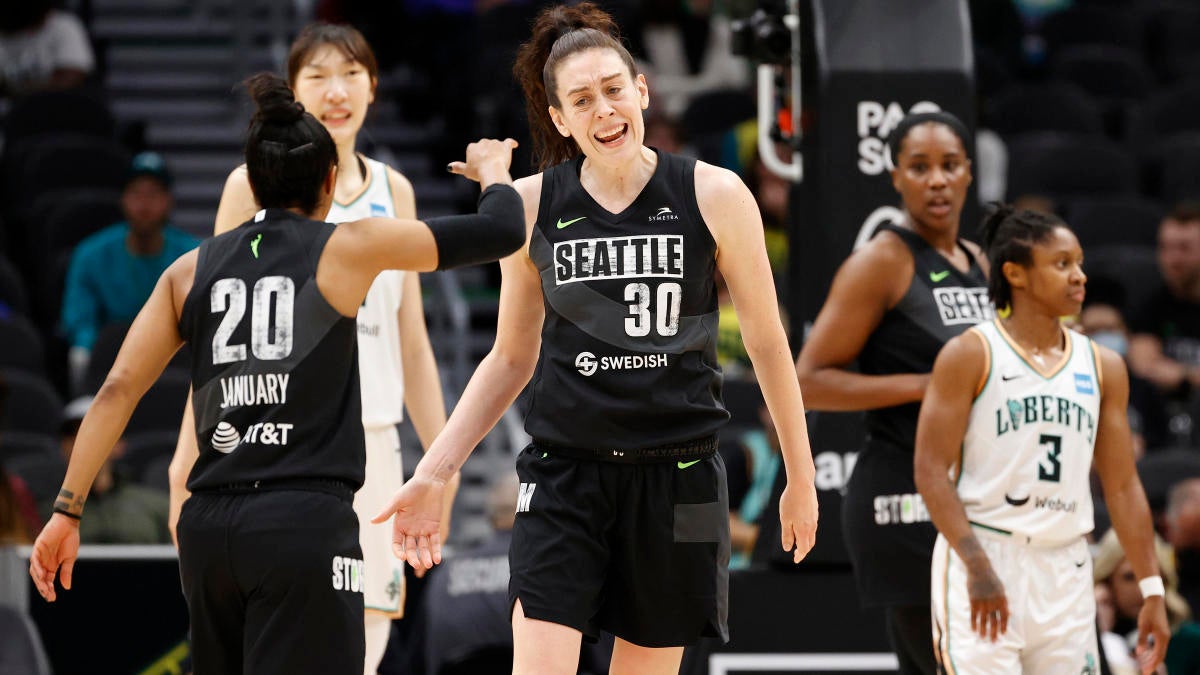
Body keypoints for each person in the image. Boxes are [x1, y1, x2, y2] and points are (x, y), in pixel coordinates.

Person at [28, 72, 525, 675]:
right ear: (330, 181)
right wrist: (494, 171)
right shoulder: (348, 247)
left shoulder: (188, 270)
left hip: (211, 532)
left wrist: (66, 511)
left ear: (252, 183)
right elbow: (501, 231)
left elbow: (114, 390)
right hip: (302, 525)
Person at [373, 4, 819, 674]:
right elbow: (511, 358)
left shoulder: (716, 193)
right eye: (582, 99)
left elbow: (767, 344)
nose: (604, 110)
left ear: (642, 90)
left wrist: (802, 475)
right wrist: (433, 471)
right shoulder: (530, 205)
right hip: (564, 475)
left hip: (682, 477)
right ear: (558, 118)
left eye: (614, 89)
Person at [166, 23, 452, 674]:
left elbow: (412, 341)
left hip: (372, 443)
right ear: (293, 93)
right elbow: (216, 336)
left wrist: (444, 460)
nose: (336, 89)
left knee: (368, 643)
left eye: (351, 73)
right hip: (274, 451)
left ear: (374, 88)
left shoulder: (394, 190)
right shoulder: (249, 186)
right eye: (317, 75)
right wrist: (189, 453)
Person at [913, 205, 1170, 673]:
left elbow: (1123, 486)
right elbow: (930, 471)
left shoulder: (1103, 366)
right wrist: (977, 565)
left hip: (1066, 564)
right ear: (1016, 273)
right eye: (1062, 263)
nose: (1079, 277)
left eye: (1079, 262)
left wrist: (1153, 588)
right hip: (986, 553)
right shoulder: (971, 353)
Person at [794, 110, 989, 674]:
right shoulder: (881, 261)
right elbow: (807, 381)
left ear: (968, 174)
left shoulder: (977, 261)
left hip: (966, 495)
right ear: (896, 176)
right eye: (920, 167)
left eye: (949, 165)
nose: (937, 180)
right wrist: (930, 386)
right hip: (900, 495)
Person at [60, 151, 200, 394]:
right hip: (111, 368)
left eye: (154, 194)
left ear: (168, 200)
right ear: (123, 200)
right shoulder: (92, 254)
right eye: (136, 194)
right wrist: (91, 351)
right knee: (79, 356)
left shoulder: (193, 255)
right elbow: (80, 321)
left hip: (175, 366)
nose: (144, 204)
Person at [1128, 204, 1200, 442]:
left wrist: (1179, 375)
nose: (1172, 259)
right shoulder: (1153, 305)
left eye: (1184, 248)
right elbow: (1144, 365)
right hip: (1162, 421)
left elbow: (1163, 371)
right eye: (1165, 248)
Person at [60, 396, 170, 544]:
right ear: (63, 446)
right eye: (73, 435)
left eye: (96, 431)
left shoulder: (158, 507)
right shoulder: (45, 513)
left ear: (119, 444)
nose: (83, 441)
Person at [1094, 528, 1200, 675]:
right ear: (1107, 581)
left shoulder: (1191, 642)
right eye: (1129, 577)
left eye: (1151, 578)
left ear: (1164, 581)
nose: (1141, 590)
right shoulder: (1089, 637)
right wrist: (1096, 627)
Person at [0, 0, 93, 96]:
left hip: (54, 105)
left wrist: (17, 90)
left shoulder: (63, 25)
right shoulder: (5, 31)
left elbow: (71, 78)